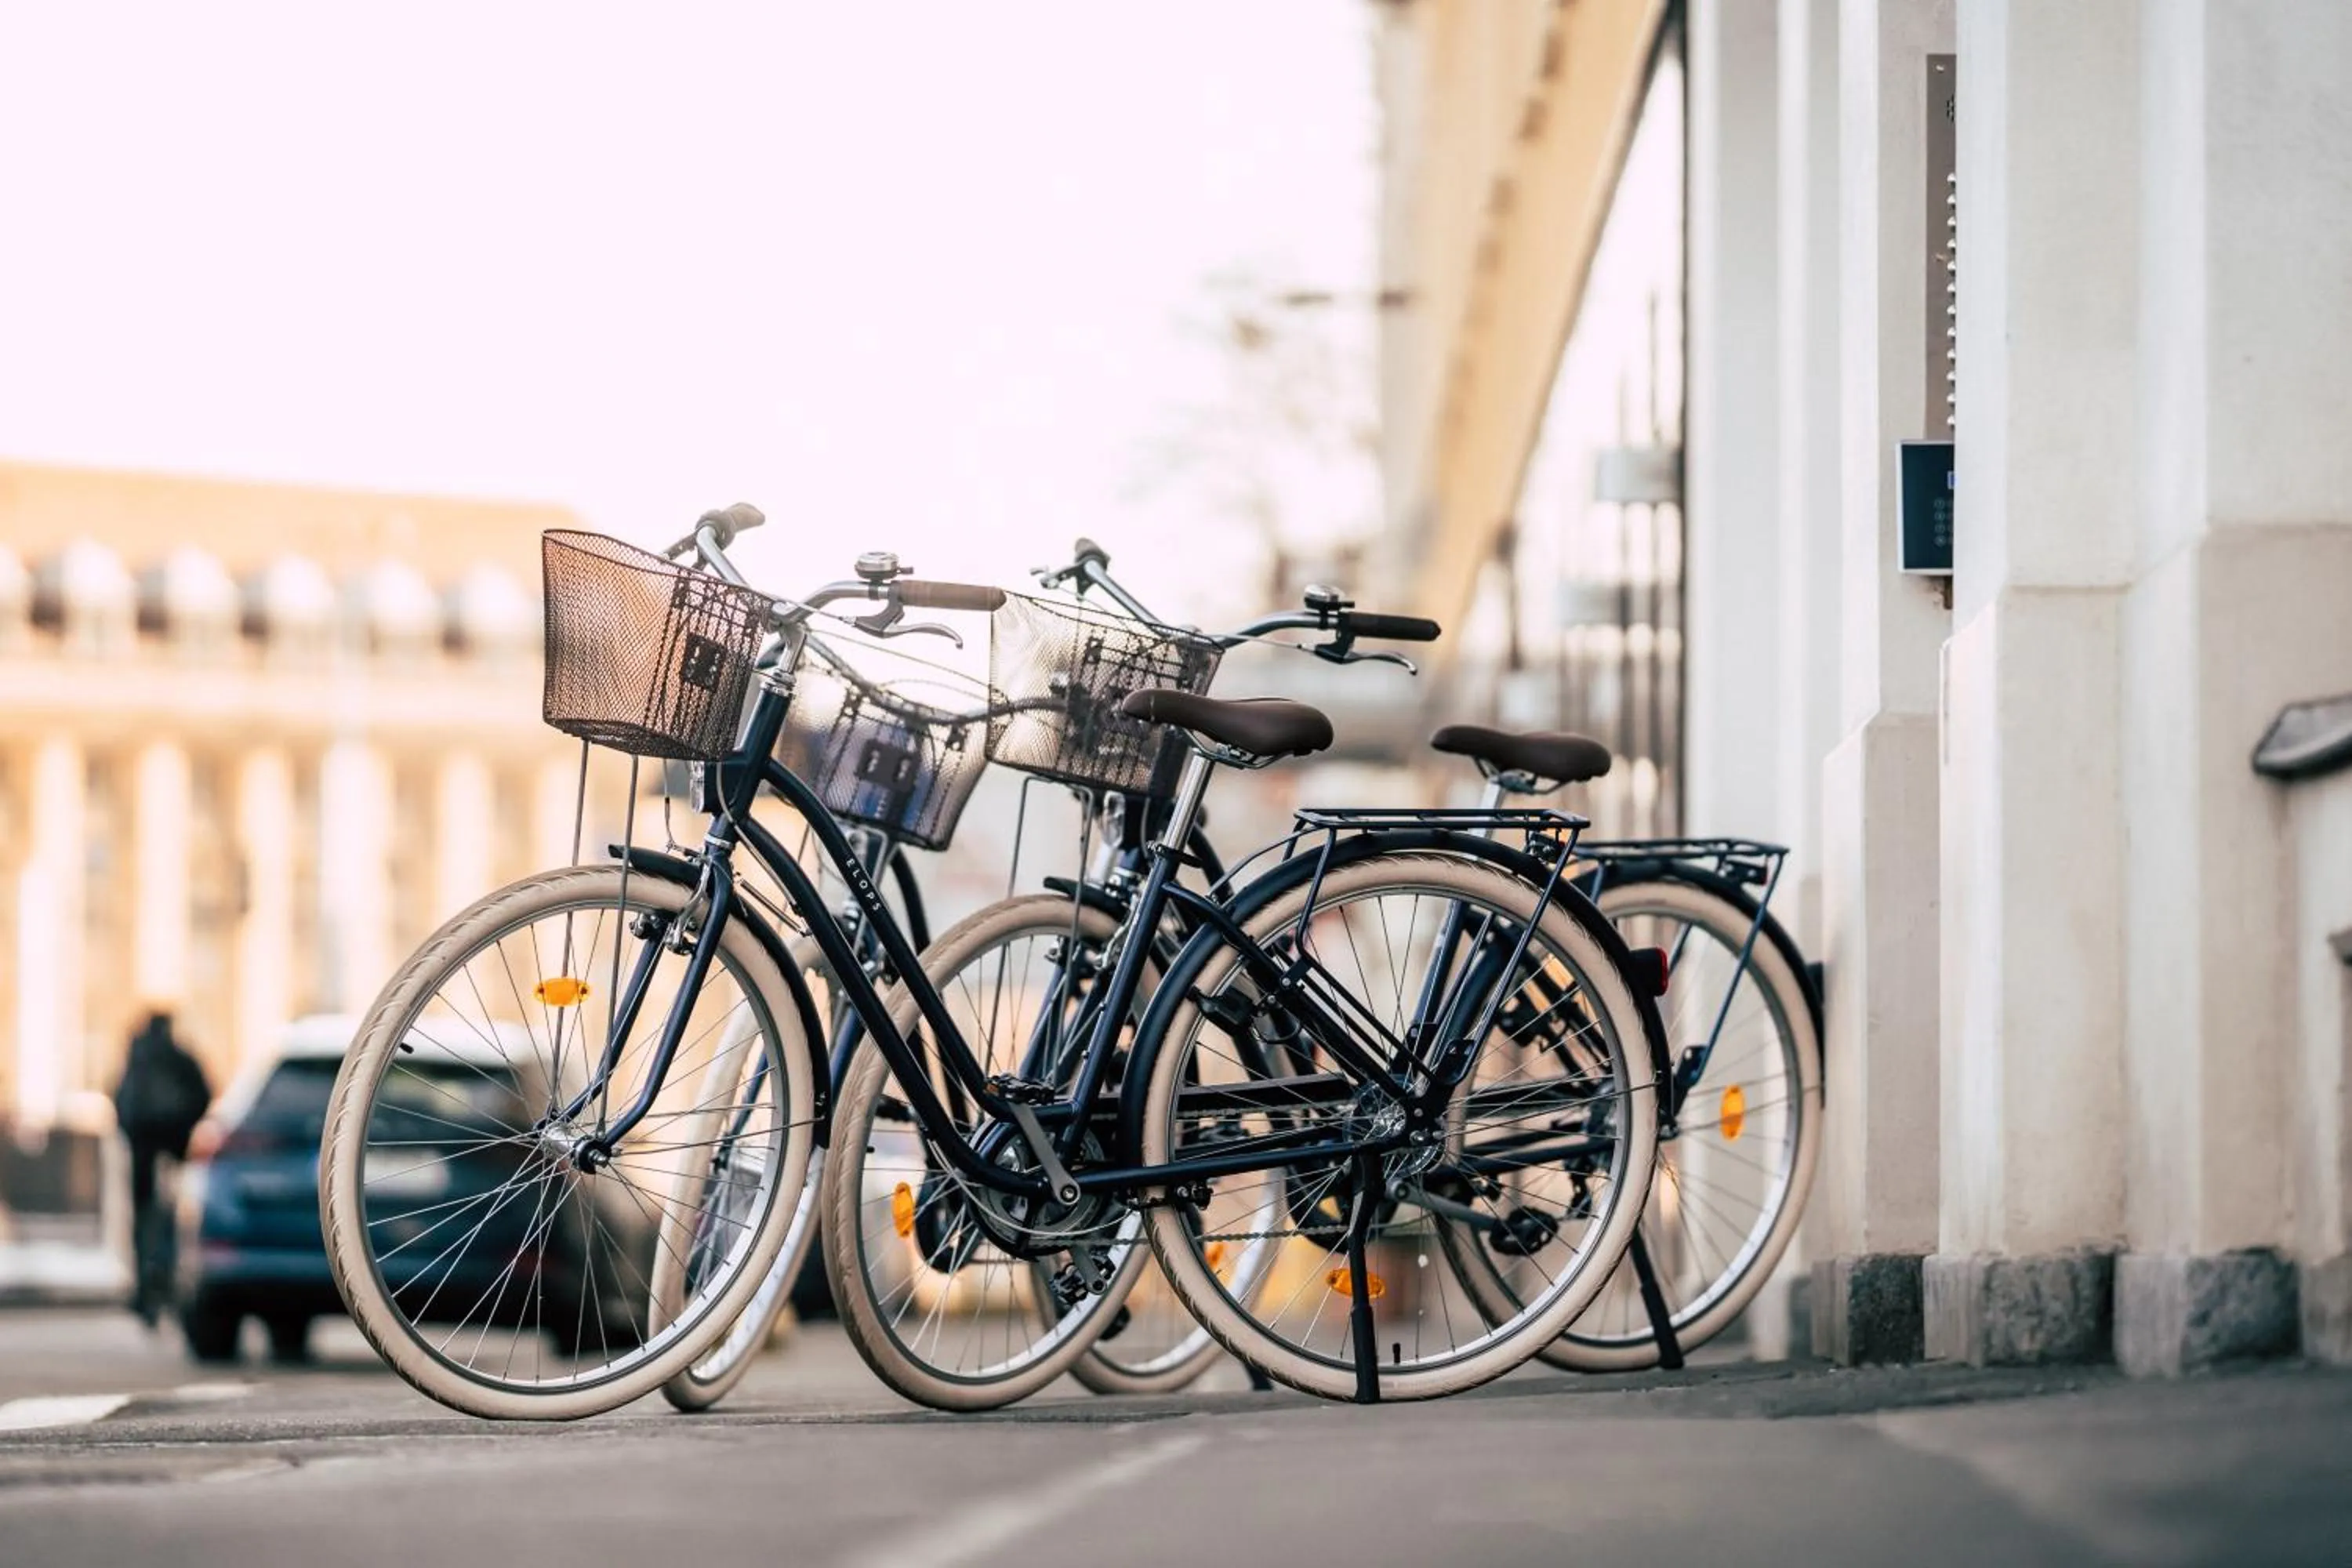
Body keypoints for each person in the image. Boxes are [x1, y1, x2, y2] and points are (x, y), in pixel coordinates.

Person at [111, 1012, 212, 1327]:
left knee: (142, 1219)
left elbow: (121, 1100)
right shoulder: (179, 1057)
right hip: (173, 1149)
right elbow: (205, 1093)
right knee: (169, 1216)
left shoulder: (136, 1058)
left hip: (142, 1151)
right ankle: (164, 1277)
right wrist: (183, 1132)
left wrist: (133, 1136)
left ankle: (145, 1285)